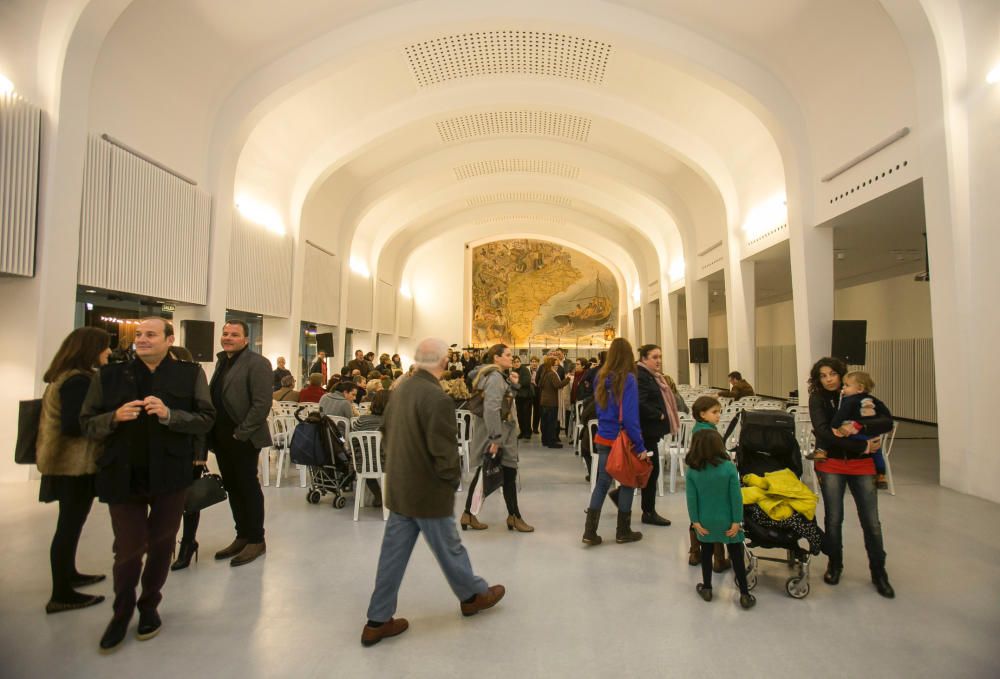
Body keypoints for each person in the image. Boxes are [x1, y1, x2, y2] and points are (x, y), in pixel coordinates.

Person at [80, 318, 215, 652]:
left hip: (171, 473)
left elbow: (206, 418)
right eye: (138, 334)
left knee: (161, 544)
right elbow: (86, 424)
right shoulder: (108, 376)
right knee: (128, 548)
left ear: (169, 340)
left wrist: (171, 415)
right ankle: (121, 611)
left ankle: (149, 604)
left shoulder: (189, 374)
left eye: (150, 335)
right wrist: (113, 417)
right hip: (123, 473)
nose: (141, 339)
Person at [361, 338, 505, 647]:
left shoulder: (398, 392)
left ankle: (376, 620)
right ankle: (473, 595)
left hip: (400, 488)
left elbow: (385, 434)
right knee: (450, 549)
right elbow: (445, 452)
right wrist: (451, 481)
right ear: (443, 362)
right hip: (427, 492)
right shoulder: (436, 398)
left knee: (392, 556)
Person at [36, 327, 112, 614]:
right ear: (91, 349)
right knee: (69, 525)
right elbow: (75, 424)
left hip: (67, 462)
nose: (108, 352)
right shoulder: (77, 381)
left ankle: (69, 574)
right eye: (104, 347)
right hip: (72, 464)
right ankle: (62, 593)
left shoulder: (66, 376)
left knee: (71, 523)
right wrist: (111, 420)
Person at [809, 357, 895, 598]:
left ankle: (879, 573)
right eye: (823, 376)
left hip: (862, 466)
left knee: (872, 522)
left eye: (832, 374)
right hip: (832, 463)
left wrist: (862, 429)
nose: (828, 380)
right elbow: (823, 430)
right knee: (834, 519)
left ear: (841, 374)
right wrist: (861, 447)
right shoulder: (818, 399)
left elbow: (885, 420)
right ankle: (834, 565)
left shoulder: (862, 396)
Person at [208, 320, 273, 567]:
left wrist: (241, 433)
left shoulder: (257, 364)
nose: (228, 337)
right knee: (233, 487)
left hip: (243, 438)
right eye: (225, 334)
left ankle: (256, 539)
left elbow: (261, 404)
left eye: (234, 334)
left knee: (247, 487)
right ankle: (242, 535)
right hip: (222, 438)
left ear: (246, 339)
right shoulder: (222, 361)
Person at [581, 337, 651, 546]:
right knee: (628, 481)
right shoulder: (628, 379)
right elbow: (630, 417)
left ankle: (590, 532)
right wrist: (640, 446)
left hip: (604, 436)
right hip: (623, 440)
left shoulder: (600, 378)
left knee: (602, 483)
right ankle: (623, 531)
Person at [461, 344, 533, 533]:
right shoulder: (494, 378)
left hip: (500, 433)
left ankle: (474, 514)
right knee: (499, 473)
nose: (512, 358)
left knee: (502, 473)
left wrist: (514, 384)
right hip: (497, 433)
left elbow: (504, 402)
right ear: (496, 358)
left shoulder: (497, 377)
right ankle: (513, 517)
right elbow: (492, 409)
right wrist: (495, 438)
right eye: (508, 355)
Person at [685, 429, 756, 610]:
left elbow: (691, 499)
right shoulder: (728, 467)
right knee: (736, 556)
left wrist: (695, 521)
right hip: (728, 521)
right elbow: (736, 497)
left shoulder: (693, 471)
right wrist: (736, 521)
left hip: (705, 521)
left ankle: (707, 588)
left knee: (707, 553)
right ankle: (745, 594)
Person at [609, 343, 674, 527]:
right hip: (645, 431)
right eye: (654, 357)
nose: (659, 360)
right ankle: (648, 512)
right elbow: (640, 403)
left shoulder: (652, 376)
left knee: (646, 470)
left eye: (660, 356)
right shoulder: (641, 376)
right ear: (644, 358)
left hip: (650, 431)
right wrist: (659, 414)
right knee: (650, 471)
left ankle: (621, 496)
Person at [826, 371, 893, 489]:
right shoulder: (874, 400)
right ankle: (881, 475)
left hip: (857, 433)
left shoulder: (849, 401)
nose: (843, 388)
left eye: (847, 385)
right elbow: (886, 414)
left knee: (845, 439)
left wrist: (834, 426)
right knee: (877, 453)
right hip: (872, 432)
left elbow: (841, 415)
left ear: (860, 388)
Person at [686, 395, 729, 569]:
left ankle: (695, 553)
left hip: (699, 481)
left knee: (698, 518)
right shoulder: (711, 434)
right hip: (713, 481)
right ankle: (719, 559)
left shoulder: (697, 429)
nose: (719, 416)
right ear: (702, 414)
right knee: (715, 519)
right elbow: (718, 457)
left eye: (719, 412)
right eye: (715, 412)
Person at [352, 389, 391, 506]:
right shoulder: (394, 422)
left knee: (369, 464)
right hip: (389, 465)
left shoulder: (361, 420)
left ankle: (378, 495)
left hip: (363, 464)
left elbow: (354, 442)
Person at [538, 356, 570, 448]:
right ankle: (551, 442)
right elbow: (558, 385)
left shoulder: (545, 373)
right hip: (551, 402)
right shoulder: (552, 374)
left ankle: (545, 440)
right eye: (556, 364)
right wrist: (567, 379)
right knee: (551, 423)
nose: (557, 366)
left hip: (544, 402)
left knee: (545, 423)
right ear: (551, 365)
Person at [512, 356, 534, 440]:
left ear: (520, 362)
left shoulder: (524, 369)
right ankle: (522, 431)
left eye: (518, 361)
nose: (516, 363)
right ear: (512, 364)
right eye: (514, 362)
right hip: (518, 396)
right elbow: (512, 384)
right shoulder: (513, 371)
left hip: (527, 397)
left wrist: (516, 382)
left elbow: (527, 381)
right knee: (519, 415)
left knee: (526, 415)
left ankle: (528, 432)